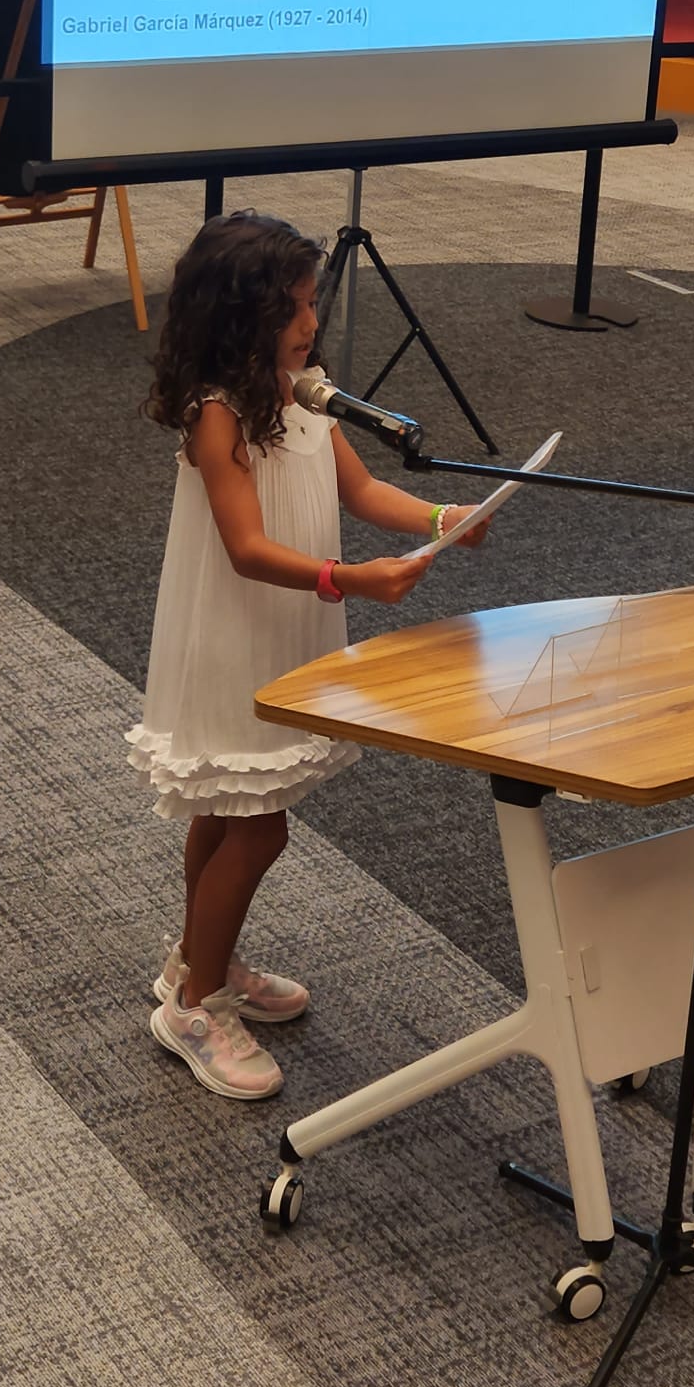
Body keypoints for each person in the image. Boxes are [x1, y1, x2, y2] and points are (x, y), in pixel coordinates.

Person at [128, 211, 490, 1101]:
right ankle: (195, 1010)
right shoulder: (218, 416)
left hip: (287, 625)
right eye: (294, 307)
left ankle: (197, 962)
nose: (310, 321)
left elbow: (360, 488)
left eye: (311, 302)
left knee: (225, 810)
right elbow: (248, 548)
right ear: (242, 316)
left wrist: (445, 521)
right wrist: (352, 581)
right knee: (259, 821)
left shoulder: (304, 395)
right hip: (236, 634)